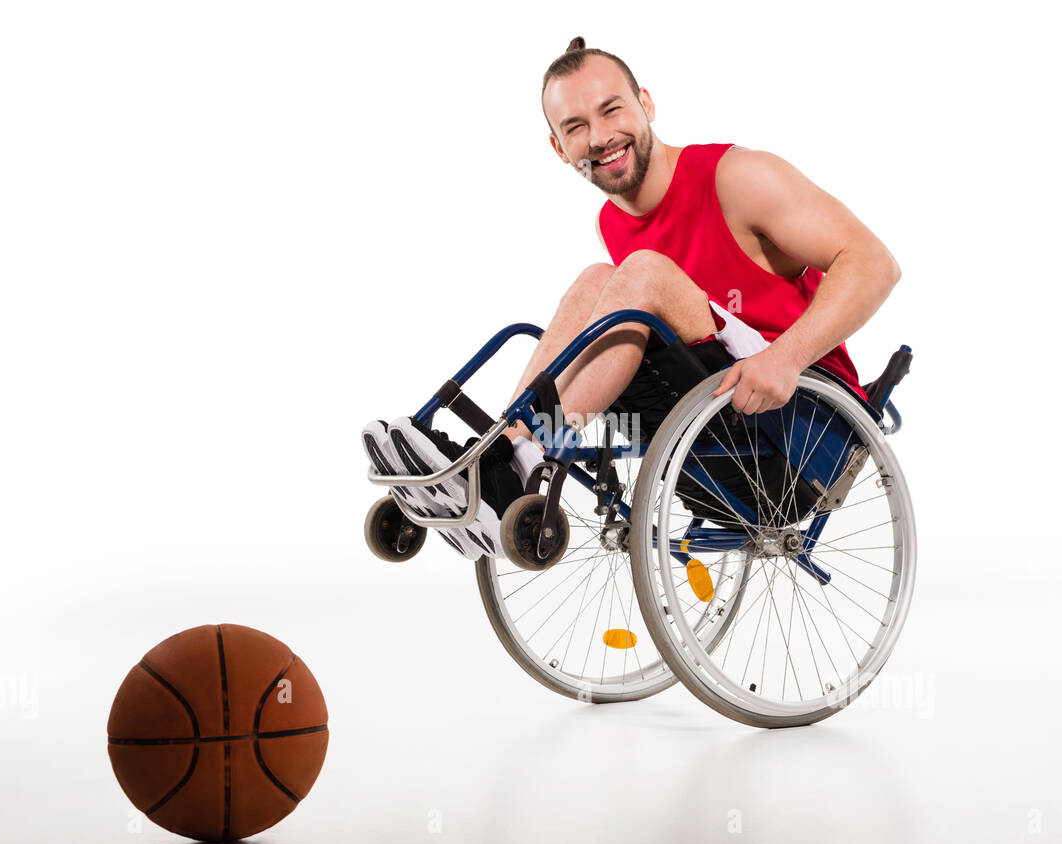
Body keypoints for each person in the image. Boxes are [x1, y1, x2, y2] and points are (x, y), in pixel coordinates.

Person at [365, 37, 901, 560]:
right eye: (576, 127)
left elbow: (875, 263)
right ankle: (504, 457)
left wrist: (785, 357)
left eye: (611, 110)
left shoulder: (736, 177)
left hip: (800, 427)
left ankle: (510, 461)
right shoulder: (612, 221)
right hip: (706, 427)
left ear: (645, 103)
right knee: (598, 279)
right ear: (559, 148)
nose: (599, 137)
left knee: (636, 273)